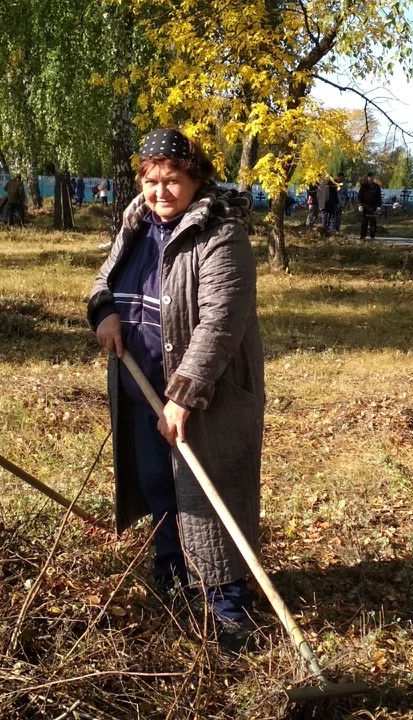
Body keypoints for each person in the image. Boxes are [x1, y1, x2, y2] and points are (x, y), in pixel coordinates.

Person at [87, 128, 264, 653]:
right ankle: (171, 578)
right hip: (141, 381)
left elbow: (221, 323)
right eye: (151, 180)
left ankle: (229, 609)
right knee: (158, 485)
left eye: (173, 181)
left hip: (208, 395)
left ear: (195, 180)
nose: (160, 192)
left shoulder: (220, 234)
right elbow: (103, 280)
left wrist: (184, 394)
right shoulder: (136, 224)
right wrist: (105, 313)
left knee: (211, 495)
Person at [357, 173, 383, 240]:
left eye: (372, 177)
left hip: (373, 207)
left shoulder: (377, 187)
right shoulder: (364, 186)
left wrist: (379, 206)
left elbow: (379, 197)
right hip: (365, 206)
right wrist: (360, 205)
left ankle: (372, 236)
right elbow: (360, 196)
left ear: (373, 178)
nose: (371, 178)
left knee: (373, 223)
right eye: (369, 177)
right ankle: (362, 236)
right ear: (367, 178)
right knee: (364, 222)